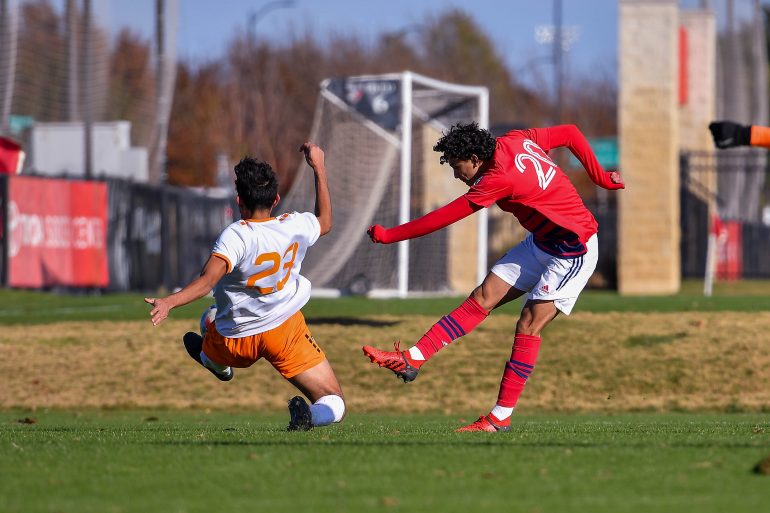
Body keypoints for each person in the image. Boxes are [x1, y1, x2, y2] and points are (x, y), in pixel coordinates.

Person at [362, 122, 624, 432]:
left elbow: (443, 217)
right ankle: (413, 358)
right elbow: (568, 132)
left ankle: (499, 418)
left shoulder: (497, 179)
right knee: (483, 296)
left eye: (458, 168)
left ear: (474, 158)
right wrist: (600, 177)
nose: (458, 176)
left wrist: (390, 235)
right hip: (543, 242)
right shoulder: (515, 139)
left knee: (528, 323)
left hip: (573, 248)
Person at [145, 143, 345, 431]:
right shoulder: (294, 225)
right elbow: (325, 222)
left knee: (210, 317)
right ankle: (310, 417)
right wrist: (319, 167)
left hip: (236, 339)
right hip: (284, 330)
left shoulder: (236, 236)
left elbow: (207, 281)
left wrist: (169, 302)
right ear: (276, 199)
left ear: (239, 201)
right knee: (334, 400)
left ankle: (214, 363)